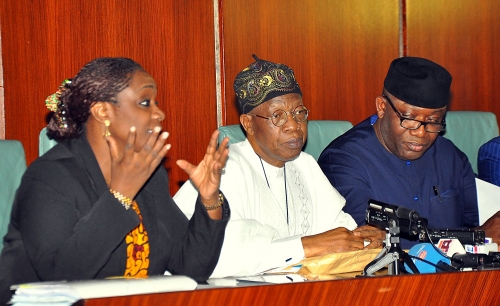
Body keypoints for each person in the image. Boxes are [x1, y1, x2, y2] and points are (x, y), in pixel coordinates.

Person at [0, 57, 230, 303]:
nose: (159, 113)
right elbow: (62, 276)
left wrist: (209, 199)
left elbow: (192, 268)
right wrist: (121, 194)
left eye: (156, 103)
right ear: (102, 112)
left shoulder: (149, 177)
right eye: (145, 102)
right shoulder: (49, 177)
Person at [174, 55, 384, 278]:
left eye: (299, 113)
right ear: (248, 124)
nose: (294, 126)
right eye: (278, 116)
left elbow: (339, 231)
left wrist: (367, 239)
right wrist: (305, 246)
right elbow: (210, 256)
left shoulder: (306, 165)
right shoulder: (225, 171)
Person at [318, 56, 500, 249]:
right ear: (382, 107)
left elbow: (478, 227)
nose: (420, 132)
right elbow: (368, 243)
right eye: (409, 118)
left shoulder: (451, 157)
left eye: (432, 120)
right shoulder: (342, 161)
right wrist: (472, 237)